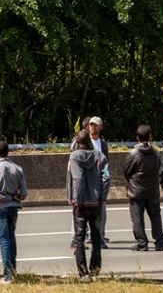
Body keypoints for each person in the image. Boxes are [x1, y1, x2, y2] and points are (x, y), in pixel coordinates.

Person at [67, 130, 110, 282]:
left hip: (81, 203)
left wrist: (77, 199)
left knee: (79, 237)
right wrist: (102, 197)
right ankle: (95, 270)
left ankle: (83, 272)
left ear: (78, 143)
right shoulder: (100, 156)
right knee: (96, 237)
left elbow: (77, 179)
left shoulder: (75, 157)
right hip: (96, 202)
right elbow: (106, 177)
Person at [0, 141, 28, 285]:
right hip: (14, 207)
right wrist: (14, 197)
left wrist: (7, 197)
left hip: (0, 208)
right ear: (8, 152)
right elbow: (24, 193)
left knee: (4, 240)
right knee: (11, 238)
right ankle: (13, 270)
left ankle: (7, 275)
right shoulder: (17, 168)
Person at [123, 125, 163, 251]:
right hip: (152, 189)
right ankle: (160, 242)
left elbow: (127, 171)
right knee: (155, 217)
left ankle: (142, 243)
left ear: (137, 138)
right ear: (150, 137)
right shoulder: (155, 152)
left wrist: (134, 181)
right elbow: (159, 168)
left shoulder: (133, 153)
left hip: (136, 190)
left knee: (137, 219)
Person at [89, 116, 110, 248]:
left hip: (100, 180)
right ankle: (87, 236)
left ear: (100, 127)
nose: (93, 127)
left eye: (96, 125)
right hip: (89, 181)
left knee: (101, 211)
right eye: (91, 125)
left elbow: (106, 163)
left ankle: (100, 236)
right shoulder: (85, 143)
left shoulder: (103, 144)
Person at [70, 116, 91, 249]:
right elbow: (76, 176)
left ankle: (85, 237)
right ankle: (76, 240)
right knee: (77, 216)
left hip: (82, 187)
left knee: (81, 215)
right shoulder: (77, 149)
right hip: (80, 187)